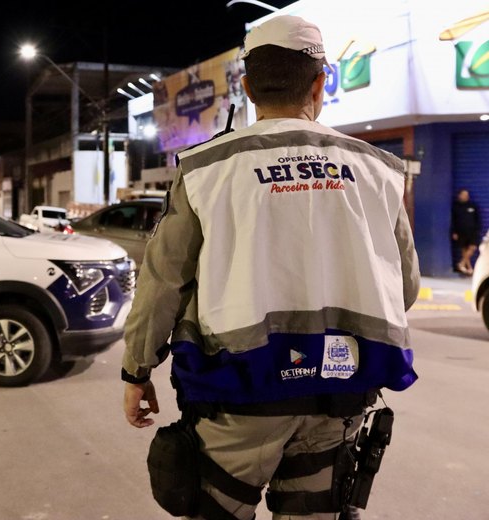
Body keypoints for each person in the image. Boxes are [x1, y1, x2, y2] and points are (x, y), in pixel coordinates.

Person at [121, 14, 420, 520]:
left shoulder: (206, 170)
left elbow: (163, 281)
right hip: (339, 392)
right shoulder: (378, 170)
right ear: (320, 83)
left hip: (237, 396)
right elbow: (405, 287)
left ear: (247, 86)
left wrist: (137, 370)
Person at [451, 188, 481, 275]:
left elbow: (477, 218)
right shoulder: (456, 207)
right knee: (464, 249)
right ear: (459, 196)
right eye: (463, 194)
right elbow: (453, 220)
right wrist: (454, 232)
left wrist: (477, 229)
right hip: (461, 231)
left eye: (466, 195)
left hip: (472, 232)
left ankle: (461, 264)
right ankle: (469, 268)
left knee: (472, 247)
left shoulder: (472, 206)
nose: (465, 196)